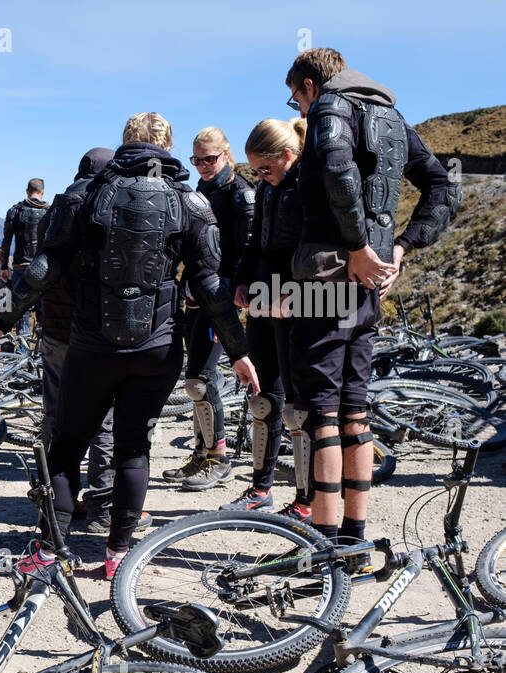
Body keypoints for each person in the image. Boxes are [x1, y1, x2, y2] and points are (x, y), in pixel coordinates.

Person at [42, 113, 259, 579]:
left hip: (92, 345)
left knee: (67, 446)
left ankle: (46, 552)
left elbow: (46, 266)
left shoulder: (86, 193)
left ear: (124, 144)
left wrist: (0, 320)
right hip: (157, 347)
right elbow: (210, 285)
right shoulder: (191, 202)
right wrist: (239, 350)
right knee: (133, 448)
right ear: (169, 146)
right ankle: (118, 553)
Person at [286, 48, 460, 545]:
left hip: (326, 281)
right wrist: (401, 247)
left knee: (322, 414)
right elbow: (444, 188)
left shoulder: (329, 108)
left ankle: (323, 546)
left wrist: (359, 247)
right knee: (355, 410)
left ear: (309, 85)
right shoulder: (392, 117)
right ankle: (354, 538)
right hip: (369, 286)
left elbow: (339, 173)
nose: (297, 109)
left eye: (295, 97)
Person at [0, 148, 148, 536]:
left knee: (56, 418)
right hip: (99, 333)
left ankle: (52, 497)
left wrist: (3, 321)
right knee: (103, 421)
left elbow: (39, 270)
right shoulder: (115, 208)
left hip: (55, 329)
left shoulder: (58, 210)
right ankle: (103, 505)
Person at [224, 118, 313, 519]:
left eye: (265, 168)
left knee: (298, 408)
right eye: (254, 170)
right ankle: (261, 489)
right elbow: (255, 243)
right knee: (262, 399)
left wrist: (292, 292)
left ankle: (306, 501)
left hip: (299, 301)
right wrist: (243, 281)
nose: (261, 176)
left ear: (288, 155)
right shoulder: (266, 189)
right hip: (263, 297)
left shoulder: (309, 184)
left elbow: (316, 251)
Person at [164, 127, 255, 491]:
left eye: (209, 159)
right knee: (195, 382)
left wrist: (232, 293)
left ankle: (219, 457)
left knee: (200, 381)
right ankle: (203, 452)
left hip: (221, 301)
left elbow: (248, 250)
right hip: (197, 298)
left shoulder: (241, 193)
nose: (202, 165)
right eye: (196, 160)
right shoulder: (203, 189)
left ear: (226, 154)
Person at [0, 178, 49, 342]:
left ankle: (22, 350)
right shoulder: (50, 212)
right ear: (42, 192)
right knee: (44, 311)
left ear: (27, 191)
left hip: (21, 267)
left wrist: (4, 266)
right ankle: (42, 350)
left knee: (21, 311)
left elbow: (6, 241)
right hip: (44, 268)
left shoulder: (16, 210)